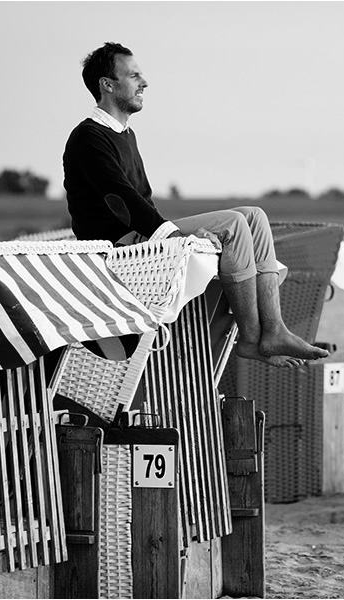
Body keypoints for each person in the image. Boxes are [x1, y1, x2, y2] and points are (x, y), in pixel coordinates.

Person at [63, 42, 328, 367]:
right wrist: (173, 236)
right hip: (119, 250)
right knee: (232, 225)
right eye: (134, 76)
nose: (144, 83)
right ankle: (250, 338)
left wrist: (170, 232)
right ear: (107, 84)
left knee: (254, 217)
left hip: (141, 239)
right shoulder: (89, 137)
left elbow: (138, 199)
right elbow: (121, 200)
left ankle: (274, 330)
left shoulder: (124, 133)